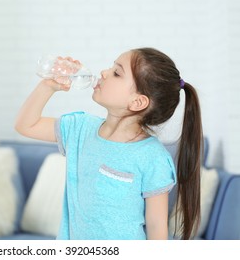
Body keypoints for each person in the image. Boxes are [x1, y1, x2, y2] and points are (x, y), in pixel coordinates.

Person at [15, 48, 202, 240]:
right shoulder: (79, 128)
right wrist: (48, 86)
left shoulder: (152, 157)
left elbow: (156, 228)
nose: (104, 73)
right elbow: (26, 125)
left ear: (137, 102)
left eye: (116, 73)